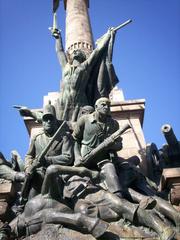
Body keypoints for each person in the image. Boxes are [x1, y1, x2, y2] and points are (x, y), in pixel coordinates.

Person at [32, 164, 176, 240]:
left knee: (120, 204)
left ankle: (161, 227)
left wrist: (84, 171)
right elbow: (51, 170)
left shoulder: (54, 186)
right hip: (77, 203)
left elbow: (53, 169)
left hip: (86, 189)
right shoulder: (45, 198)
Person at [51, 25, 118, 121]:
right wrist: (58, 39)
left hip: (80, 102)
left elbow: (97, 51)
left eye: (78, 51)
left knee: (81, 128)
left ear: (83, 56)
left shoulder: (85, 66)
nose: (75, 51)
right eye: (73, 51)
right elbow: (60, 52)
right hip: (63, 101)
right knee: (62, 128)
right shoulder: (66, 67)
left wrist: (108, 36)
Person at [73, 97, 124, 197]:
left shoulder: (114, 124)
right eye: (103, 105)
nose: (106, 107)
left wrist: (111, 145)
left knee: (111, 171)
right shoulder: (84, 119)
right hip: (86, 159)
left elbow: (119, 145)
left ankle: (118, 196)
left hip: (104, 160)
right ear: (96, 107)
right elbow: (74, 139)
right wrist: (77, 156)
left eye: (109, 105)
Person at [23, 101, 73, 199]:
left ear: (55, 121)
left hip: (57, 174)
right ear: (42, 122)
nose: (49, 122)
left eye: (51, 119)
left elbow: (68, 157)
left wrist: (47, 160)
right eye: (46, 119)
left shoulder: (64, 137)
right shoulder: (37, 138)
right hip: (37, 173)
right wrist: (28, 167)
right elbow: (29, 156)